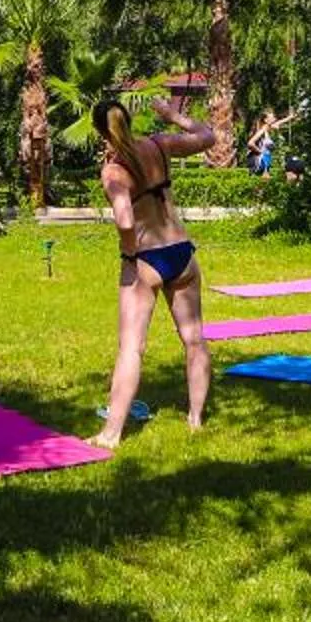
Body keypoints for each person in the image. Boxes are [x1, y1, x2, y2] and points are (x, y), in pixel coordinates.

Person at [93, 95, 216, 447]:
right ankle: (195, 419)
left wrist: (130, 256)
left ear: (101, 131)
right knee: (194, 338)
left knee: (131, 348)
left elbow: (125, 219)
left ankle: (111, 434)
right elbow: (208, 137)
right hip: (181, 253)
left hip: (147, 259)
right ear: (128, 121)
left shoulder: (114, 170)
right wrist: (172, 115)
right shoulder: (159, 145)